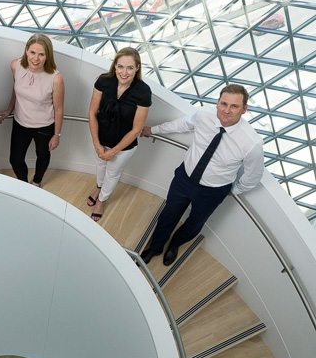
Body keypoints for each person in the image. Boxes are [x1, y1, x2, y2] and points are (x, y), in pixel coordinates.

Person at [140, 84, 264, 266]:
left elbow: (254, 175)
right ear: (218, 102)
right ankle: (155, 247)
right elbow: (182, 124)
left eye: (234, 106)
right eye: (224, 104)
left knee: (194, 224)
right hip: (184, 178)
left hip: (213, 191)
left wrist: (235, 190)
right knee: (168, 214)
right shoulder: (205, 114)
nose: (227, 110)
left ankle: (175, 244)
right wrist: (153, 130)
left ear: (244, 109)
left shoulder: (251, 143)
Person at [87, 47, 152, 221]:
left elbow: (136, 129)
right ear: (115, 65)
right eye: (121, 66)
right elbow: (92, 113)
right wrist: (97, 144)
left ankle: (102, 200)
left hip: (124, 147)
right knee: (100, 165)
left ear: (137, 68)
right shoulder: (103, 81)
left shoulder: (143, 92)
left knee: (113, 172)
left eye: (130, 68)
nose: (124, 72)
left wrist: (113, 151)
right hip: (100, 138)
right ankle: (99, 188)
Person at [0, 34, 65, 187]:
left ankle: (37, 181)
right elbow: (16, 91)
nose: (36, 58)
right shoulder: (16, 66)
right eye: (33, 52)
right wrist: (9, 110)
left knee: (43, 155)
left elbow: (59, 110)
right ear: (26, 50)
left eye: (41, 54)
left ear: (48, 56)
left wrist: (56, 135)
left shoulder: (56, 78)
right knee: (15, 160)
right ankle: (24, 185)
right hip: (20, 123)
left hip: (44, 127)